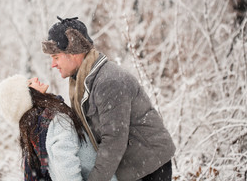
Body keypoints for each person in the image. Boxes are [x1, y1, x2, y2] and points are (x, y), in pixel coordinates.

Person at [42, 16, 176, 181]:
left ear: (74, 52)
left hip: (149, 168)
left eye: (56, 57)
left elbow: (114, 141)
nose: (53, 65)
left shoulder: (108, 82)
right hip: (130, 168)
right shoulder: (81, 83)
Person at [0, 75, 118, 181]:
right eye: (29, 83)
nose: (35, 78)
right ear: (26, 97)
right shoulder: (54, 120)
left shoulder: (34, 130)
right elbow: (66, 171)